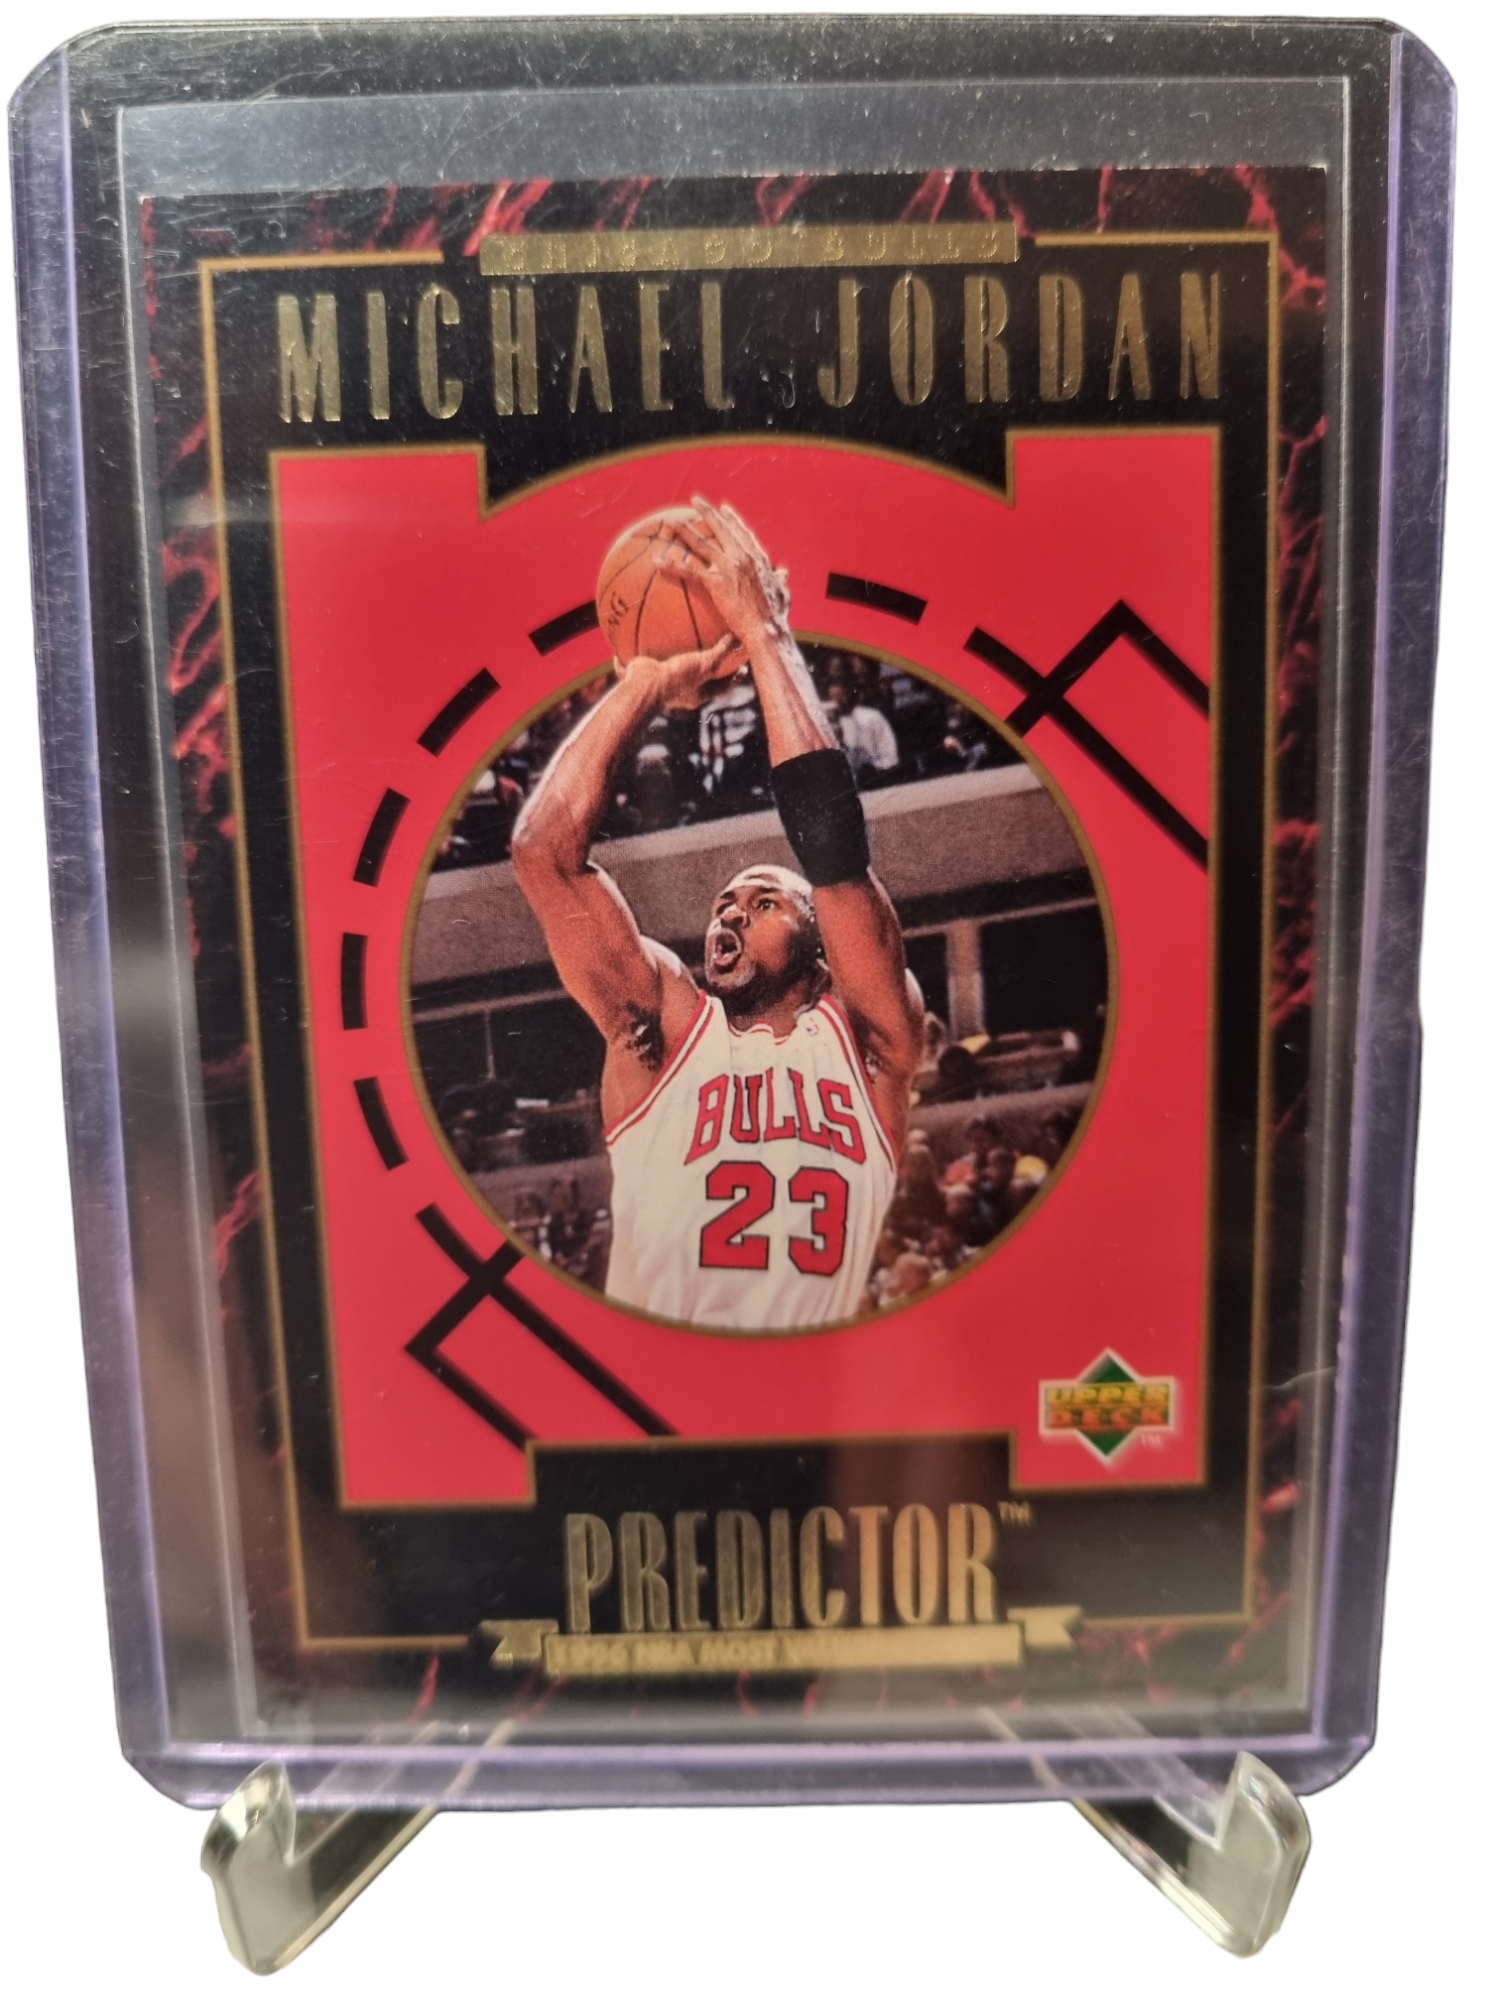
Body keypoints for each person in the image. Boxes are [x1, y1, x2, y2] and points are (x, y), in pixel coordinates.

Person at [510, 498, 925, 1330]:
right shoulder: (663, 1029)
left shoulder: (869, 1043)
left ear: (820, 946)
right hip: (657, 1387)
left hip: (803, 1390)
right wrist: (646, 681)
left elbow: (835, 856)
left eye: (764, 902)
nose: (728, 918)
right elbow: (542, 855)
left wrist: (766, 636)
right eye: (722, 906)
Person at [825, 661, 899, 786]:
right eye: (834, 697)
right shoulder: (829, 724)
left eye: (841, 696)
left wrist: (874, 769)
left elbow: (890, 755)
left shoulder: (871, 716)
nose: (838, 701)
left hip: (877, 778)